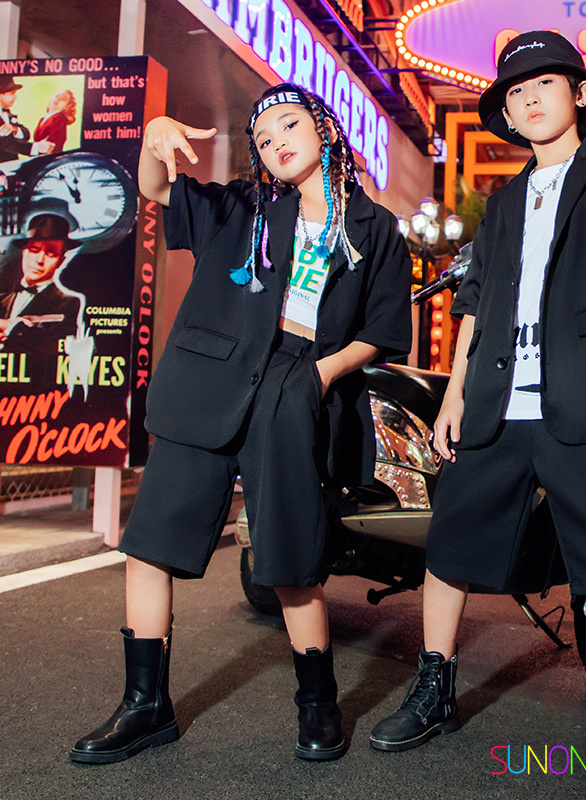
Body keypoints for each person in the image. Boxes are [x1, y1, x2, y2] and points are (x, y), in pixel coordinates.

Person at [370, 19, 586, 796]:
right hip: (499, 402)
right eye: (515, 92)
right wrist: (457, 393)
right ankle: (434, 687)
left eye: (544, 84)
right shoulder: (505, 201)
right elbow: (476, 301)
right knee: (450, 545)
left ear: (580, 93)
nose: (528, 100)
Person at [70, 83, 411, 764]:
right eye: (263, 138)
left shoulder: (374, 228)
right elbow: (156, 189)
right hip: (208, 379)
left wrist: (319, 375)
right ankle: (145, 706)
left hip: (295, 382)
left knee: (290, 554)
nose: (277, 142)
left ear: (324, 129)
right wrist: (153, 136)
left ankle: (317, 705)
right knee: (151, 544)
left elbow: (380, 331)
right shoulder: (242, 207)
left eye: (289, 125)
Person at [0, 205, 81, 354]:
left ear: (61, 260)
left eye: (50, 253)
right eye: (34, 250)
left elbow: (55, 347)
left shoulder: (69, 304)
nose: (39, 260)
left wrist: (11, 328)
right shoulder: (3, 299)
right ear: (24, 252)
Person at [33, 89, 77, 154]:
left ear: (66, 106)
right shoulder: (42, 119)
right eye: (57, 96)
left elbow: (54, 145)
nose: (58, 99)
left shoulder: (59, 119)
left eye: (63, 99)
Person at [0, 75, 30, 162]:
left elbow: (26, 134)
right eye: (12, 93)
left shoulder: (7, 114)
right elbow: (6, 145)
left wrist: (15, 129)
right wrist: (34, 148)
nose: (15, 97)